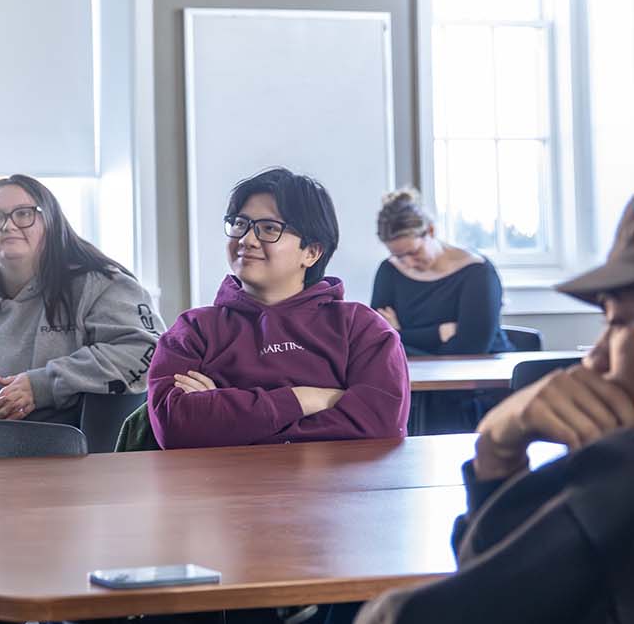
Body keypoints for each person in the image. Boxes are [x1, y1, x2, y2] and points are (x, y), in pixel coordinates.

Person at [357, 196, 634, 624]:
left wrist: (496, 445)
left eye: (615, 322)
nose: (593, 359)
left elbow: (402, 615)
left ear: (430, 233)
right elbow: (382, 337)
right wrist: (496, 456)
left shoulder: (613, 476)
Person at [148, 167, 409, 449]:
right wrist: (308, 399)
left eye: (269, 228)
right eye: (240, 224)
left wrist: (225, 416)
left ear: (311, 252)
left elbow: (381, 426)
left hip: (334, 490)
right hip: (225, 490)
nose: (246, 240)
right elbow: (175, 427)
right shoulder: (194, 330)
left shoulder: (361, 327)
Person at [0, 173, 166, 426]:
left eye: (24, 214)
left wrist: (41, 385)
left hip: (74, 457)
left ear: (50, 221)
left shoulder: (102, 287)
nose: (8, 225)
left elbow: (147, 352)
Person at [371, 188, 510, 355]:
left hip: (483, 374)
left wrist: (400, 336)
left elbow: (470, 350)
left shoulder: (477, 273)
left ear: (430, 231)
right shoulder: (389, 271)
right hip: (413, 374)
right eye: (399, 256)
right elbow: (379, 342)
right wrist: (438, 333)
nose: (408, 263)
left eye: (413, 252)